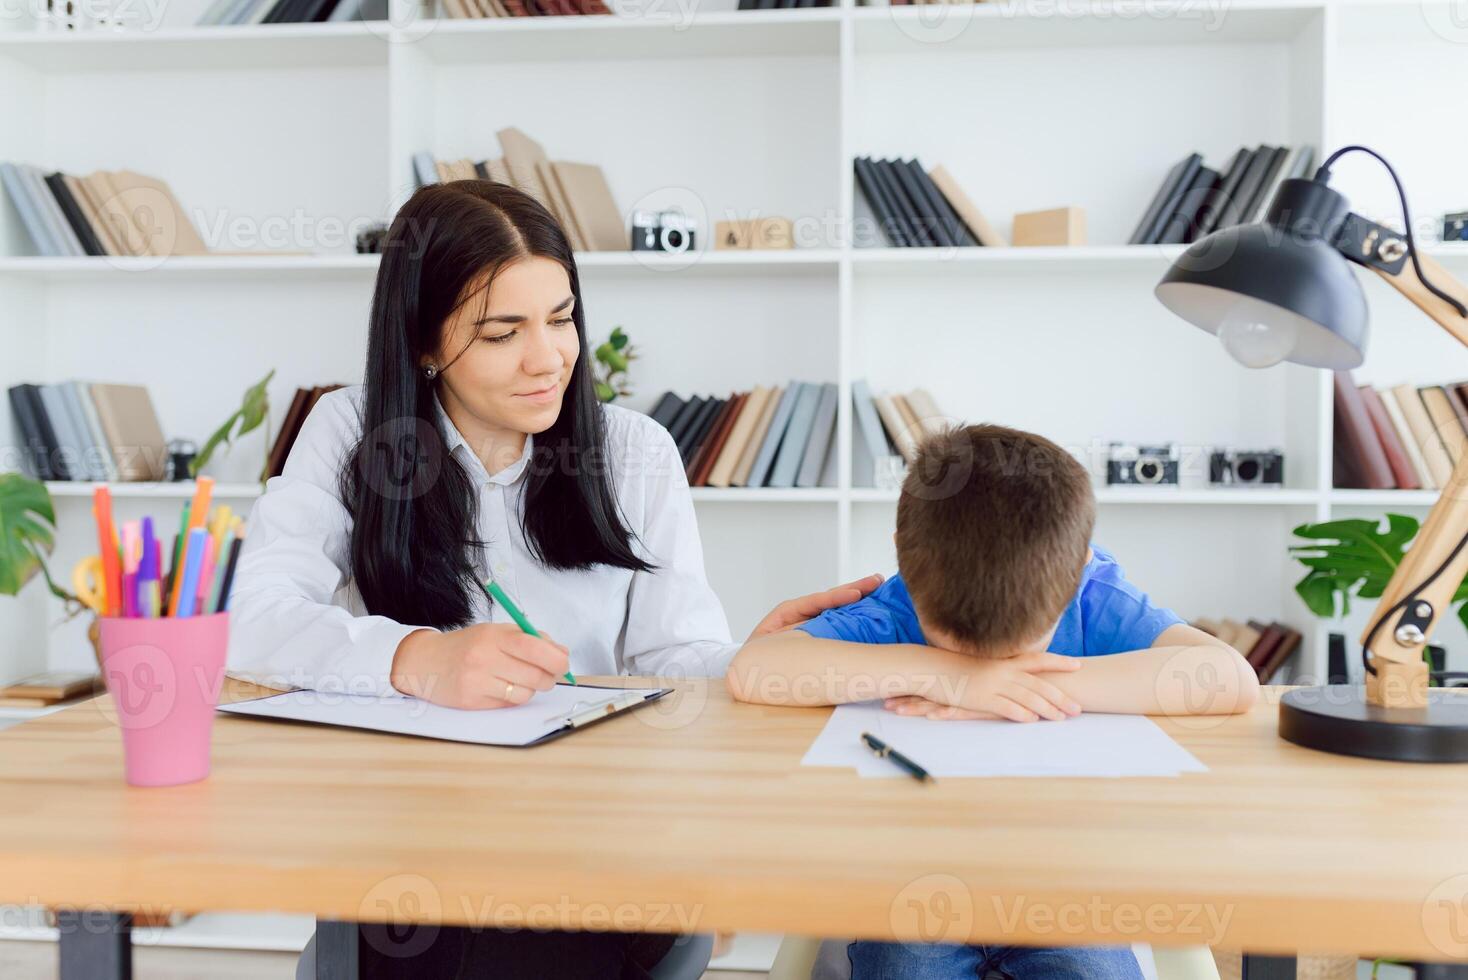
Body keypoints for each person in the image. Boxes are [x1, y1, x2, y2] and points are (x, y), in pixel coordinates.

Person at [226, 179, 878, 978]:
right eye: (503, 333)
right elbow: (252, 619)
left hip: (597, 846)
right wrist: (421, 658)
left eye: (562, 318)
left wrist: (748, 664)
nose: (549, 359)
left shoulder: (636, 454)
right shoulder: (352, 433)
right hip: (411, 848)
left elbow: (672, 659)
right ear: (425, 343)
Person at [726, 423, 1259, 980]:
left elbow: (1229, 677)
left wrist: (1035, 690)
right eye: (961, 652)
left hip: (1064, 886)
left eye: (1019, 655)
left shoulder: (1090, 592)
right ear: (907, 566)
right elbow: (755, 668)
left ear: (1074, 572)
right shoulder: (900, 604)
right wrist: (944, 676)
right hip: (916, 885)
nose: (995, 671)